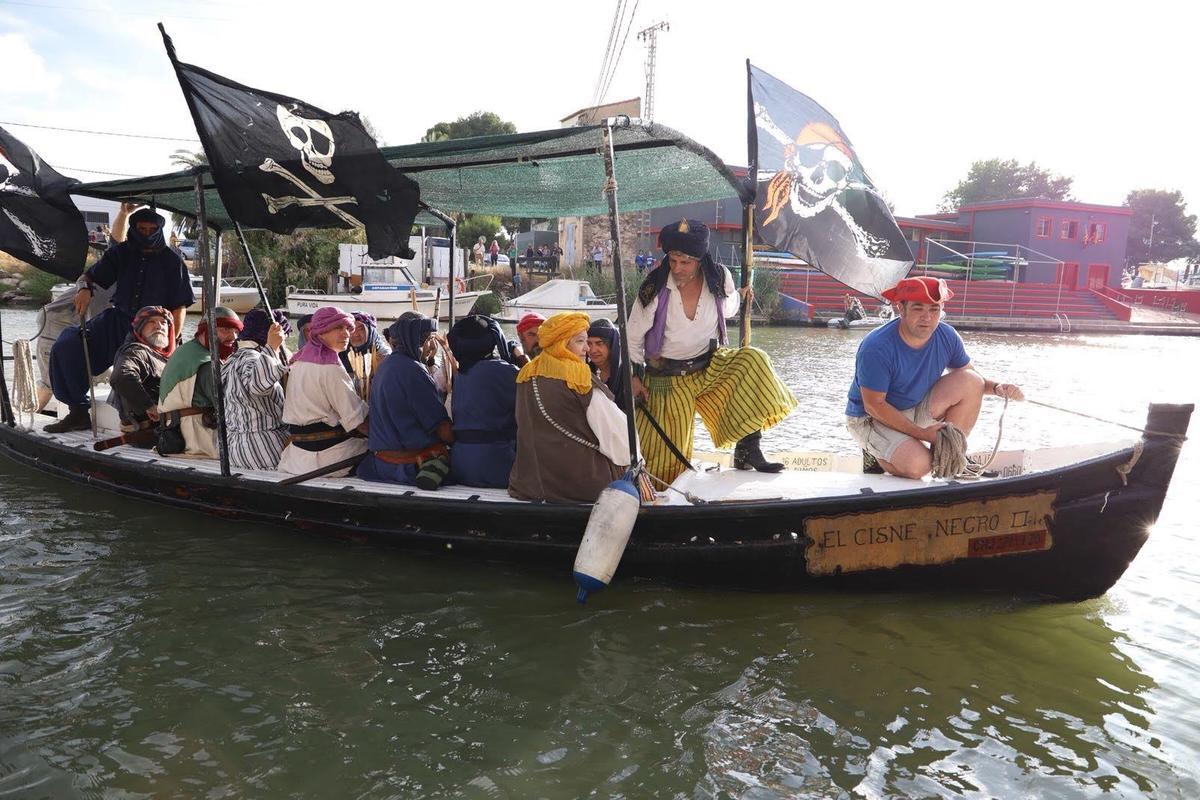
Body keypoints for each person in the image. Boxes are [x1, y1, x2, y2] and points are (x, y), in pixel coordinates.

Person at [627, 219, 798, 484]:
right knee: (665, 469)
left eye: (685, 262)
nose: (678, 268)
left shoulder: (719, 277)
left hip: (708, 368)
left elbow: (727, 307)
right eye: (673, 260)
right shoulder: (654, 287)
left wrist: (741, 297)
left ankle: (747, 448)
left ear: (699, 259)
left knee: (752, 360)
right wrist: (635, 377)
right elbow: (633, 336)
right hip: (666, 379)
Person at [846, 276, 1024, 479]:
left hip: (913, 406)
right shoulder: (876, 347)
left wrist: (998, 387)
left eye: (934, 309)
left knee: (971, 381)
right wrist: (922, 434)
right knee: (919, 467)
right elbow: (874, 405)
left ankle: (951, 457)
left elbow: (973, 379)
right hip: (871, 418)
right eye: (918, 308)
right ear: (901, 309)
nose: (927, 317)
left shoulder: (947, 336)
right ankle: (874, 454)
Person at [46, 207, 194, 432]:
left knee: (130, 371)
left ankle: (143, 421)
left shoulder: (172, 262)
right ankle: (77, 411)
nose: (146, 233)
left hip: (152, 330)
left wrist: (172, 341)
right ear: (134, 229)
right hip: (118, 320)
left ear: (160, 230)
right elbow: (91, 276)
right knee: (67, 345)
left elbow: (179, 306)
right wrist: (85, 288)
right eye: (141, 229)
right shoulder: (121, 253)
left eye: (152, 230)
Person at [508, 312, 631, 503]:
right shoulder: (578, 377)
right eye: (581, 341)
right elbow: (620, 435)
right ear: (562, 343)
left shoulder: (526, 373)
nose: (587, 349)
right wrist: (636, 463)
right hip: (581, 485)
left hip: (530, 483)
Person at [358, 315, 454, 490]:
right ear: (417, 341)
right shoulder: (414, 371)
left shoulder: (385, 366)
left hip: (381, 465)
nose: (433, 347)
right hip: (409, 468)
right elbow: (444, 431)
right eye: (430, 340)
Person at [277, 307, 368, 477]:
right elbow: (357, 421)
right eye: (338, 328)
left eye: (347, 328)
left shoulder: (299, 361)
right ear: (321, 332)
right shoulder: (330, 368)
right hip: (329, 457)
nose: (346, 334)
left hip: (298, 458)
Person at [158, 306, 242, 458]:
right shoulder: (205, 363)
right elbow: (230, 407)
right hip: (198, 444)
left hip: (177, 433)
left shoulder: (187, 351)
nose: (233, 337)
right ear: (205, 331)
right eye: (225, 329)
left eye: (236, 331)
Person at [446, 315, 519, 488]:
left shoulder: (462, 374)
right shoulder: (504, 371)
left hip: (461, 464)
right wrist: (519, 354)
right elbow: (536, 391)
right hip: (496, 463)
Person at [224, 309, 291, 471]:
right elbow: (258, 386)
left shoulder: (233, 359)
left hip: (237, 447)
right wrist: (272, 348)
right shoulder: (253, 359)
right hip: (263, 447)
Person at [108, 306, 176, 436]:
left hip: (167, 426)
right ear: (140, 328)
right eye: (151, 322)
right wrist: (149, 407)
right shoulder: (136, 352)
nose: (158, 327)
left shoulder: (166, 355)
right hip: (150, 433)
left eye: (163, 322)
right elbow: (121, 377)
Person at [340, 311, 391, 402]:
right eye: (351, 329)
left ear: (371, 330)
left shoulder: (384, 355)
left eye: (360, 328)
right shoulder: (341, 353)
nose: (355, 334)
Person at [587, 317, 626, 405]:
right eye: (589, 343)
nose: (593, 350)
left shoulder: (626, 373)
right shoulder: (586, 371)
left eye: (599, 343)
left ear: (612, 346)